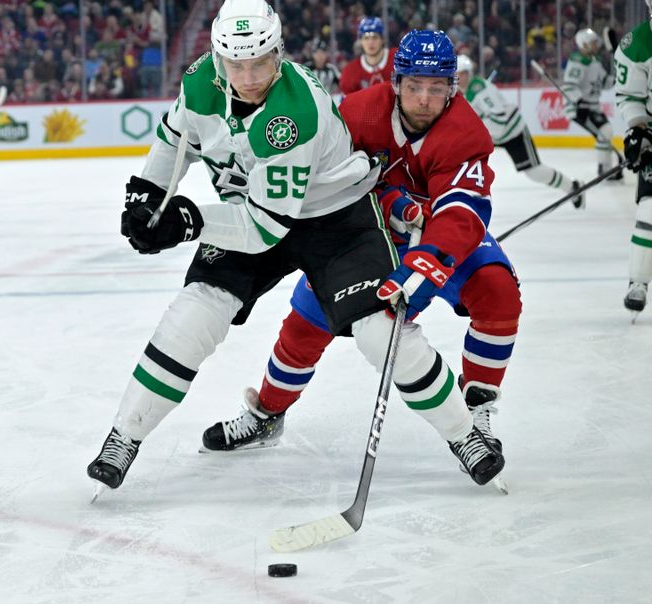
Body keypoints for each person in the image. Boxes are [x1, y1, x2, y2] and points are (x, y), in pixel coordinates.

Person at [87, 6, 503, 498]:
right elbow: (177, 137)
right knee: (195, 312)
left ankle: (464, 437)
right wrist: (148, 193)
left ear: (278, 54)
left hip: (335, 218)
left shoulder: (293, 113)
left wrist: (189, 221)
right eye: (235, 64)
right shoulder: (200, 80)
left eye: (260, 63)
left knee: (378, 330)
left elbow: (265, 228)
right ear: (217, 56)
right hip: (255, 208)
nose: (247, 78)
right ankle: (123, 437)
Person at [201, 31, 522, 480]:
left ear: (453, 87)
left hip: (437, 242)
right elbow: (325, 177)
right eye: (414, 86)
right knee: (307, 320)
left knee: (497, 289)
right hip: (362, 235)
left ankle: (476, 410)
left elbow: (463, 215)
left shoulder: (467, 133)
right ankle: (268, 413)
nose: (425, 99)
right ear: (396, 83)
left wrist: (424, 262)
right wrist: (392, 202)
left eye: (436, 88)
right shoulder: (356, 113)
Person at [456, 54, 584, 208]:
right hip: (495, 135)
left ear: (468, 73)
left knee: (534, 172)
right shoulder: (462, 91)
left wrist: (477, 132)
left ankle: (572, 186)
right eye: (456, 74)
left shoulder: (480, 89)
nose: (459, 77)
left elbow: (499, 120)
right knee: (466, 163)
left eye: (462, 73)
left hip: (512, 132)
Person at [614, 4, 652, 315]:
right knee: (650, 207)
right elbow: (631, 96)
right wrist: (638, 132)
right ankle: (638, 281)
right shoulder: (635, 45)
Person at [562, 28, 623, 181]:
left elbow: (604, 83)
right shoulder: (577, 60)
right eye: (593, 42)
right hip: (579, 108)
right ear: (584, 44)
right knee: (605, 132)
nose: (597, 45)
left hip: (592, 107)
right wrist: (578, 102)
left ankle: (606, 168)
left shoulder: (595, 61)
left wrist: (619, 77)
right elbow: (569, 86)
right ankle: (605, 169)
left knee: (605, 133)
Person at [339, 16, 396, 95]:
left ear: (382, 39)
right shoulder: (350, 71)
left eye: (375, 37)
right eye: (366, 38)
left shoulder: (397, 59)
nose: (370, 42)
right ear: (361, 41)